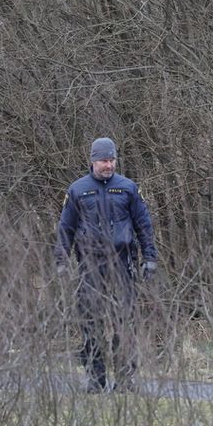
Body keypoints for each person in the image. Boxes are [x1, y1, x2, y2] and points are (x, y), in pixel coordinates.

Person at [55, 137, 158, 392]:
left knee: (125, 322)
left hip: (123, 263)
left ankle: (125, 379)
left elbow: (143, 225)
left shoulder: (128, 188)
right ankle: (96, 379)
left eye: (112, 160)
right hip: (91, 265)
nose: (108, 165)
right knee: (92, 323)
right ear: (93, 161)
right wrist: (61, 261)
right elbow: (65, 229)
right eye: (103, 160)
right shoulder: (77, 190)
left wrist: (150, 257)